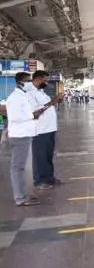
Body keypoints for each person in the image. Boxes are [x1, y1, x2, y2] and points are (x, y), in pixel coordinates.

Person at [6, 72, 42, 206]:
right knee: (18, 168)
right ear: (21, 82)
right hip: (19, 135)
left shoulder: (22, 96)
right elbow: (14, 117)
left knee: (21, 167)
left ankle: (23, 195)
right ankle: (20, 198)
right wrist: (32, 115)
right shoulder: (15, 98)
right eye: (28, 81)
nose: (30, 83)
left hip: (24, 134)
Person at [29, 71, 62, 188]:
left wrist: (54, 102)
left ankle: (49, 178)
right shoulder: (30, 93)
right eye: (45, 80)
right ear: (37, 79)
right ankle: (39, 181)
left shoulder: (41, 92)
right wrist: (52, 102)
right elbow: (34, 113)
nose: (46, 82)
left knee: (48, 155)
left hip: (50, 129)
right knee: (40, 156)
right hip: (40, 130)